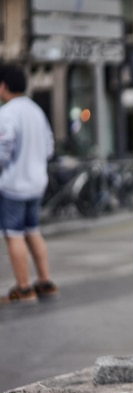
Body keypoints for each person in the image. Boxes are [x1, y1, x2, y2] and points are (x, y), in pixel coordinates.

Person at [0, 64, 57, 304]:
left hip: (14, 184)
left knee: (14, 234)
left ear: (3, 86)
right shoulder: (36, 110)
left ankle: (24, 288)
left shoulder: (8, 113)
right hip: (37, 183)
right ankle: (45, 281)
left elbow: (3, 149)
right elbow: (49, 147)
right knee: (32, 230)